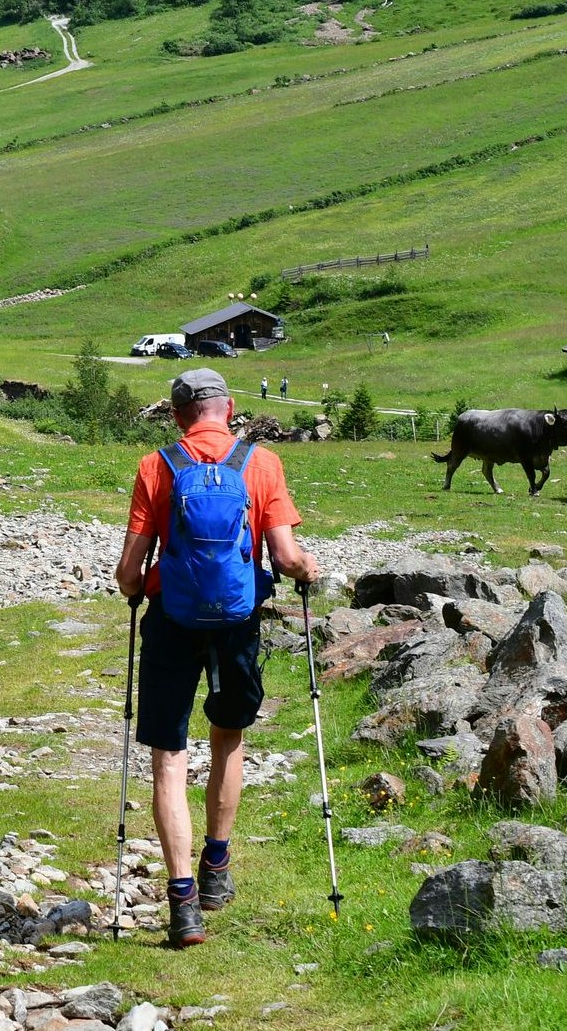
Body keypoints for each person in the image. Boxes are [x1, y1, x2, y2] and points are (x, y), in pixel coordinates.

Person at [115, 368, 320, 948]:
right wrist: (309, 570)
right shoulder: (262, 463)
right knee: (228, 735)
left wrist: (136, 589)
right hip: (236, 622)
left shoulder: (157, 466)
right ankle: (217, 869)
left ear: (178, 415)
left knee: (168, 758)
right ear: (227, 408)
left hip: (172, 622)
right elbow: (284, 556)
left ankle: (182, 906)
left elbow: (130, 573)